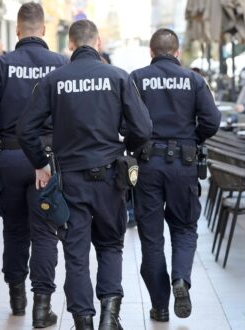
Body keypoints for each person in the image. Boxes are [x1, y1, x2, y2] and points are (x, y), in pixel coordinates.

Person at [18, 19, 152, 330]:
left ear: (71, 45)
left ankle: (83, 321)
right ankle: (109, 316)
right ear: (99, 43)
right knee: (110, 245)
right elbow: (144, 129)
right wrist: (126, 152)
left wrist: (41, 162)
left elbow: (26, 130)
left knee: (75, 253)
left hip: (70, 179)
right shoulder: (119, 77)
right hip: (109, 178)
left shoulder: (55, 80)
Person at [0, 3, 68, 327]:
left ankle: (17, 297)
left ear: (18, 31)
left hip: (8, 158)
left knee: (13, 230)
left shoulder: (1, 65)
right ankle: (42, 306)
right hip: (47, 161)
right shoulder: (61, 64)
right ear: (44, 30)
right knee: (45, 233)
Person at [129, 28, 221, 322]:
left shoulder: (138, 78)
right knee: (184, 228)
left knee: (152, 238)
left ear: (152, 52)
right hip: (184, 164)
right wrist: (192, 140)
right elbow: (212, 120)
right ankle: (181, 278)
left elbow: (125, 121)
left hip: (148, 165)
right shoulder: (194, 80)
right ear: (177, 52)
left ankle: (160, 306)